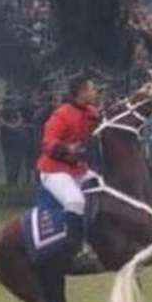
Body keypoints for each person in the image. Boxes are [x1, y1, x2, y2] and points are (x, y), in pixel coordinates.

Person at [36, 76, 101, 255]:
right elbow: (48, 143)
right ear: (81, 92)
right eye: (92, 88)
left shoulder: (93, 113)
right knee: (75, 201)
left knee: (103, 187)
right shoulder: (61, 114)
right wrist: (67, 149)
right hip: (54, 170)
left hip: (78, 169)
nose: (96, 92)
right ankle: (75, 249)